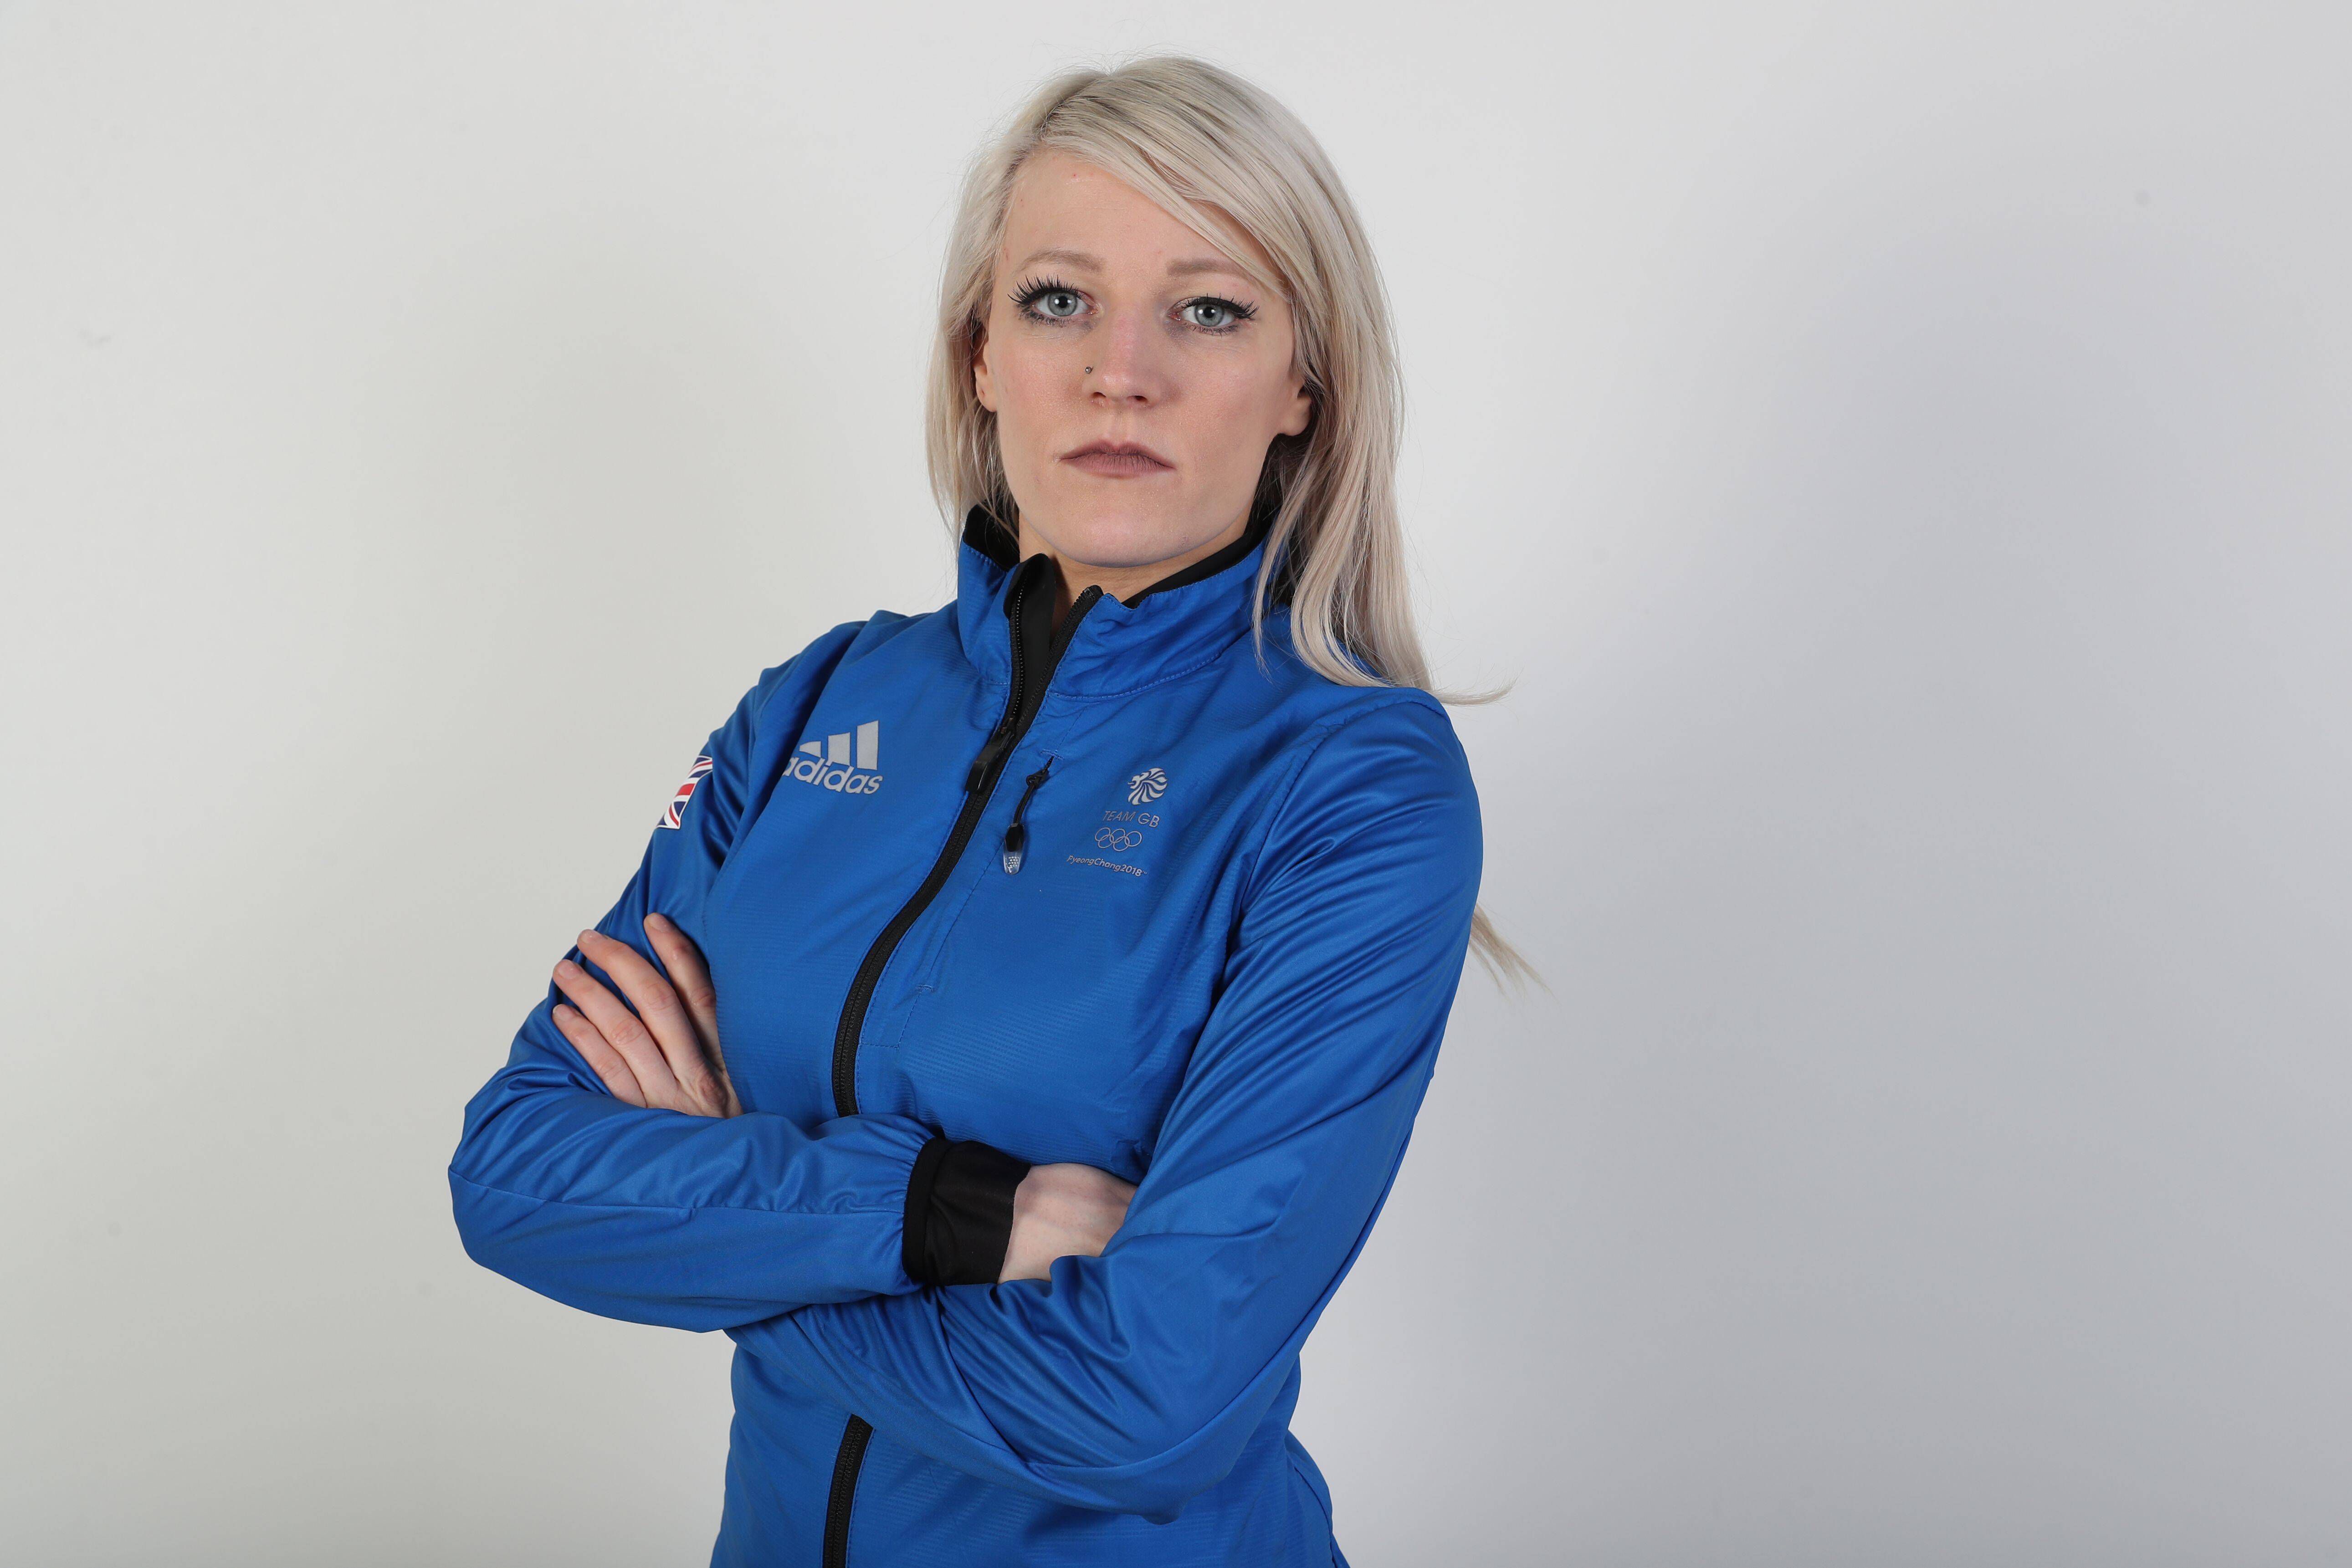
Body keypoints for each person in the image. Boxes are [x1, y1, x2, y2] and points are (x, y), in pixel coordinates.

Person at [449, 54, 1524, 1568]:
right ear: (978, 355)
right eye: (1058, 299)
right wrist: (947, 1213)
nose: (1120, 372)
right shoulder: (816, 703)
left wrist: (718, 1234)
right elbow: (514, 1172)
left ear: (1305, 383)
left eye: (1209, 310)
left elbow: (1146, 1406)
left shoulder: (1354, 784)